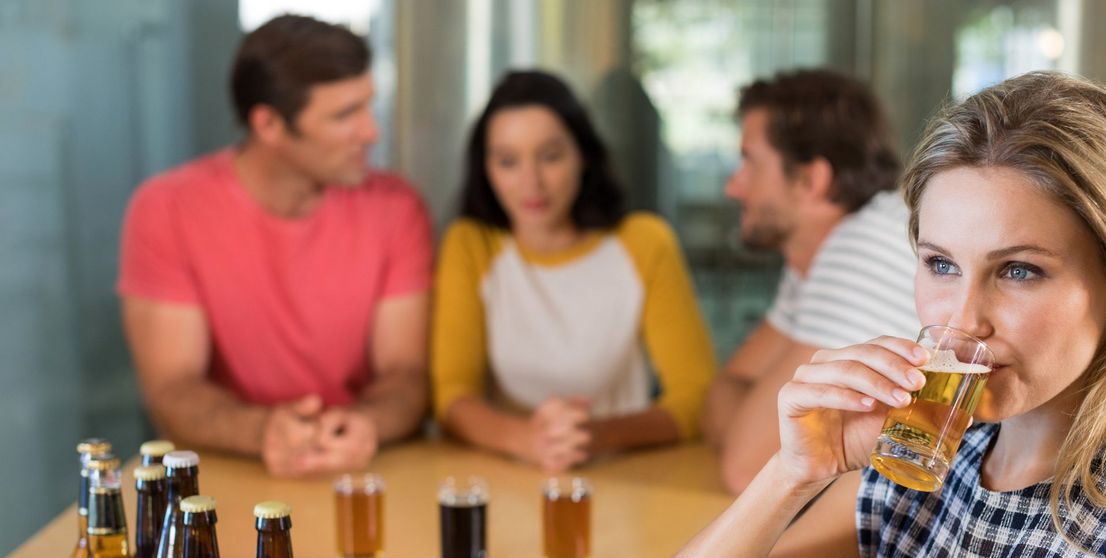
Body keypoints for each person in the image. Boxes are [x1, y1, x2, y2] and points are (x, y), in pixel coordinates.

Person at [615, 72, 1106, 558]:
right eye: (941, 264)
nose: (962, 319)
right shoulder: (917, 466)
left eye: (1019, 270)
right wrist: (792, 474)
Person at [117, 15, 433, 477]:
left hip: (367, 475)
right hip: (227, 480)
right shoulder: (166, 209)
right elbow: (172, 388)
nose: (372, 132)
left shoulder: (396, 206)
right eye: (345, 115)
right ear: (268, 124)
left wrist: (365, 424)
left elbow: (406, 373)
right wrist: (264, 431)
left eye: (369, 106)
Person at [431, 70, 716, 473]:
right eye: (508, 161)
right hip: (510, 477)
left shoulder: (645, 242)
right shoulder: (470, 245)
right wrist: (529, 441)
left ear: (582, 155)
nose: (531, 182)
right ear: (486, 169)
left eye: (550, 156)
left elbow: (696, 397)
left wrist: (592, 436)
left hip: (627, 478)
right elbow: (453, 396)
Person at [704, 69, 920, 494]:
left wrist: (757, 434)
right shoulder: (816, 254)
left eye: (749, 161)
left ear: (810, 180)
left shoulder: (862, 248)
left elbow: (747, 472)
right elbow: (726, 389)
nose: (733, 186)